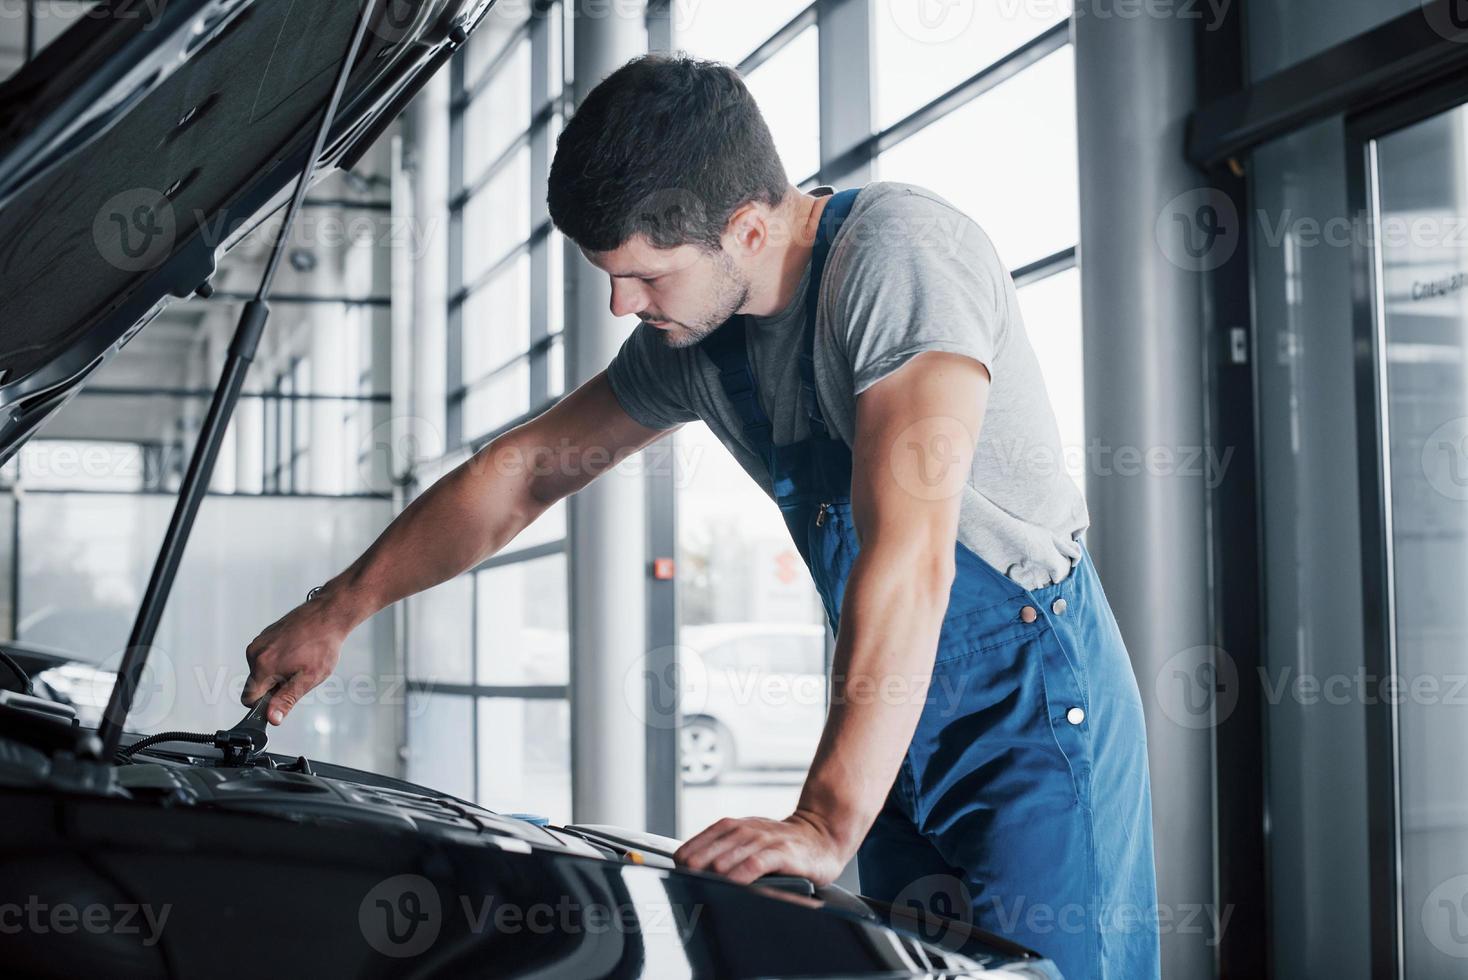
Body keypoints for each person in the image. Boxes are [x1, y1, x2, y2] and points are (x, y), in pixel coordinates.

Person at [242, 53, 1159, 979]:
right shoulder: (697, 341)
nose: (620, 303)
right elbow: (520, 475)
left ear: (748, 229)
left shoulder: (901, 259)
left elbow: (912, 555)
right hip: (896, 714)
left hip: (1028, 714)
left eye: (645, 276)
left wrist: (823, 821)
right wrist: (337, 608)